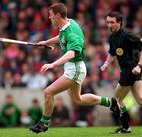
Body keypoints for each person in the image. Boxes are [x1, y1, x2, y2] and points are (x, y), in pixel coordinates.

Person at [29, 3, 120, 133]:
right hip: (73, 67)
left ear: (58, 15)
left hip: (75, 68)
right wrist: (46, 42)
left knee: (48, 92)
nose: (49, 18)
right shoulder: (68, 23)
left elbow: (71, 53)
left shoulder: (72, 33)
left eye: (51, 15)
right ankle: (111, 103)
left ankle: (44, 123)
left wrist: (52, 64)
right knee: (77, 100)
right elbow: (62, 37)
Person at [101, 11, 142, 133]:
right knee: (140, 99)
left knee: (116, 100)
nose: (109, 25)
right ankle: (125, 128)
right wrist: (106, 63)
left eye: (112, 22)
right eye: (107, 22)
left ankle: (125, 127)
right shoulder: (112, 37)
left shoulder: (127, 36)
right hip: (131, 71)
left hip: (130, 70)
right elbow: (112, 53)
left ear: (119, 22)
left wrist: (139, 65)